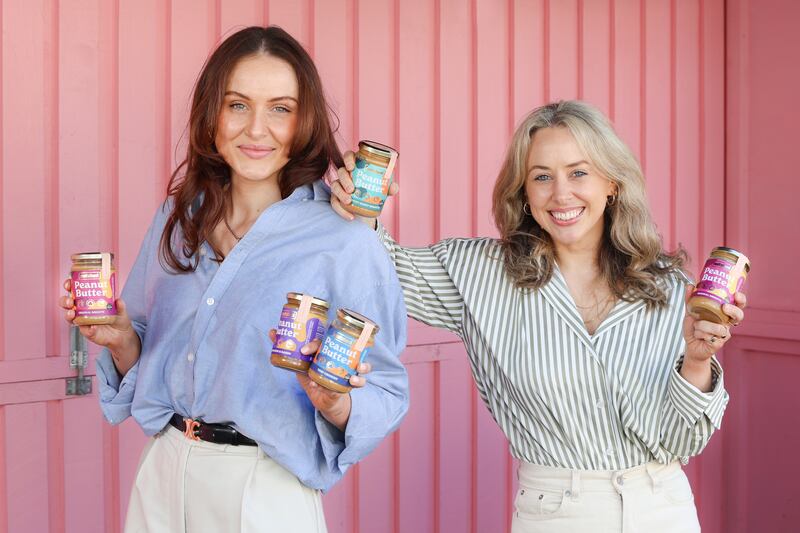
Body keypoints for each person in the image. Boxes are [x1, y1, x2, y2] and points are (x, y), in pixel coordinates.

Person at [330, 100, 746, 532]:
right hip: (556, 512)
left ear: (612, 183)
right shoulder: (479, 274)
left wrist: (696, 362)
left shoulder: (667, 286)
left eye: (578, 172)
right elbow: (381, 270)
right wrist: (360, 209)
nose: (561, 193)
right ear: (524, 193)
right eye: (541, 177)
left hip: (664, 510)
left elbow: (681, 442)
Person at [59, 26, 409, 533]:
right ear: (212, 116)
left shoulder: (345, 239)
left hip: (261, 487)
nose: (256, 129)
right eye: (238, 105)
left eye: (280, 109)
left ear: (304, 121)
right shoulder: (178, 218)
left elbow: (388, 391)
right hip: (164, 468)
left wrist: (336, 401)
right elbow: (151, 355)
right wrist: (120, 340)